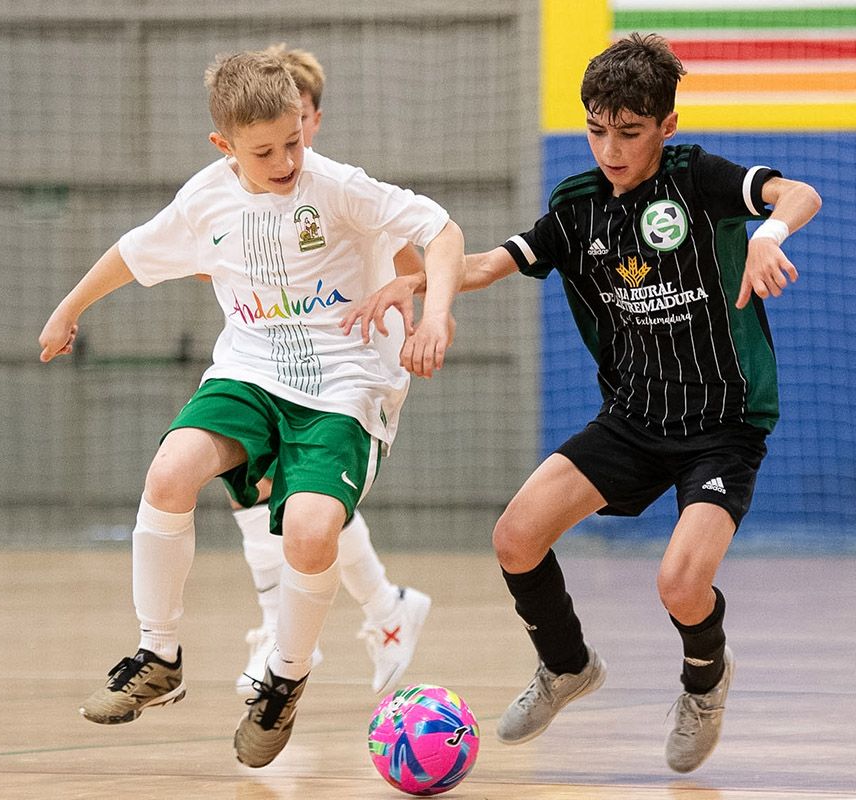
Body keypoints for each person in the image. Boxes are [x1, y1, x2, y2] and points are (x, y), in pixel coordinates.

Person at [346, 33, 820, 773]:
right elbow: (486, 264)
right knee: (515, 537)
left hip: (723, 425)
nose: (611, 148)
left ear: (666, 125)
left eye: (630, 132)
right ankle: (566, 666)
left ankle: (705, 680)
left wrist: (772, 233)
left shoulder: (700, 180)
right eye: (597, 130)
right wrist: (420, 283)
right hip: (633, 419)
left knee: (681, 583)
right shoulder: (576, 209)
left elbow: (798, 193)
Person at [38, 49, 464, 769]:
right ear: (224, 146)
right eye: (264, 150)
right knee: (170, 472)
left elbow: (443, 231)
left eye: (294, 140)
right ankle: (158, 654)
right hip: (250, 370)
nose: (285, 159)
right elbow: (131, 252)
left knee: (309, 527)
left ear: (306, 122)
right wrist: (68, 308)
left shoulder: (337, 188)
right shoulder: (206, 198)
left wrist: (436, 315)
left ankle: (285, 679)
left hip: (344, 384)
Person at [226, 44, 431, 699]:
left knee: (293, 494)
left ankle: (315, 625)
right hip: (278, 355)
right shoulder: (253, 198)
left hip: (348, 366)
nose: (298, 135)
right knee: (261, 486)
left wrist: (413, 322)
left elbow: (409, 259)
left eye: (305, 118)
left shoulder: (340, 190)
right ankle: (383, 608)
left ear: (312, 118)